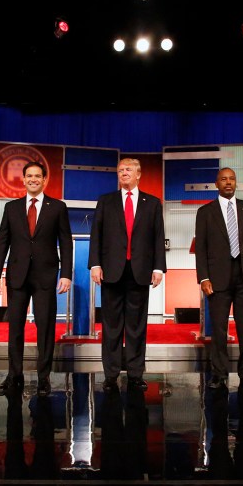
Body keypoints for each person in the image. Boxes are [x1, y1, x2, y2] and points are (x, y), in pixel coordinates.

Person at [0, 161, 73, 397]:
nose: (34, 179)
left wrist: (66, 274)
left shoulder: (57, 207)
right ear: (24, 179)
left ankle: (43, 378)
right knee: (15, 327)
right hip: (17, 275)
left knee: (45, 328)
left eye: (38, 176)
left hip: (46, 276)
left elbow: (66, 242)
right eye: (29, 176)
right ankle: (13, 375)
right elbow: (2, 241)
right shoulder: (11, 207)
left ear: (45, 180)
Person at [89, 158, 166, 392]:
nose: (123, 173)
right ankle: (110, 375)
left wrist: (158, 267)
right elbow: (96, 234)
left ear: (138, 174)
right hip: (111, 271)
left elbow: (157, 237)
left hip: (140, 271)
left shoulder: (152, 203)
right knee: (111, 326)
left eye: (128, 169)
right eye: (120, 170)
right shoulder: (106, 201)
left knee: (136, 326)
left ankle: (135, 374)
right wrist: (95, 264)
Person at [194, 167, 243, 392]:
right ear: (216, 184)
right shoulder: (205, 212)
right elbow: (201, 248)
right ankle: (219, 374)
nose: (228, 182)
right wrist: (203, 277)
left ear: (236, 183)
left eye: (232, 179)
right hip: (217, 278)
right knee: (218, 329)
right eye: (223, 179)